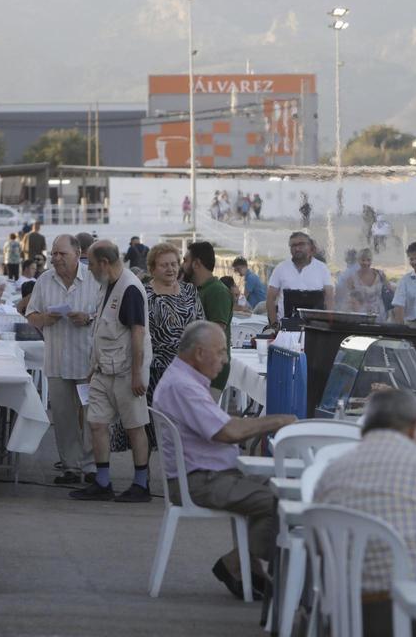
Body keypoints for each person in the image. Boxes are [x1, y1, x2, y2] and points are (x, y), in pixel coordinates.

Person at [314, 389, 416, 636]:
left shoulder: (332, 472)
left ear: (365, 427)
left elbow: (318, 544)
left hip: (353, 617)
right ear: (415, 427)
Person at [153, 321, 295, 599]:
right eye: (220, 352)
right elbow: (227, 432)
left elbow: (223, 424)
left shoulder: (185, 379)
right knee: (281, 504)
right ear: (199, 353)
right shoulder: (183, 386)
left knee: (284, 488)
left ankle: (248, 566)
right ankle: (236, 563)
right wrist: (279, 421)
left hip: (209, 474)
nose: (225, 360)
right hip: (200, 481)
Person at [69, 241, 153, 503]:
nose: (89, 269)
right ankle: (102, 482)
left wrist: (137, 374)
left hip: (126, 371)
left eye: (92, 264)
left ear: (104, 263)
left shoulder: (130, 289)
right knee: (96, 423)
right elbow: (103, 328)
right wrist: (93, 366)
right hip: (103, 370)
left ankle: (141, 484)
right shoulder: (107, 284)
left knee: (135, 426)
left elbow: (138, 333)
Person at [25, 234, 100, 485]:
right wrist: (45, 319)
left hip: (86, 361)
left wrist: (88, 318)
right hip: (57, 360)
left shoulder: (94, 279)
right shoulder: (45, 280)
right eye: (54, 254)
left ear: (77, 254)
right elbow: (31, 315)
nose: (56, 258)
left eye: (62, 254)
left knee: (91, 415)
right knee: (63, 416)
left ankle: (92, 466)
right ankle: (71, 466)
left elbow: (106, 315)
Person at [144, 242, 205, 416]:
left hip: (188, 369)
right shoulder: (144, 294)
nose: (170, 269)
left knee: (186, 419)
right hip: (156, 371)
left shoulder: (190, 290)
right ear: (152, 269)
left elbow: (201, 325)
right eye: (164, 265)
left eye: (173, 264)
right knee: (159, 421)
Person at [182, 241, 233, 390]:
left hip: (210, 371)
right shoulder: (196, 289)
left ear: (196, 264)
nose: (182, 265)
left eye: (185, 260)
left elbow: (215, 333)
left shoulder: (218, 291)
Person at [265, 231, 334, 327]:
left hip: (315, 327)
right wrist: (274, 324)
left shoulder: (322, 268)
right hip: (286, 327)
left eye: (301, 244)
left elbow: (329, 298)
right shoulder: (281, 268)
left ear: (310, 246)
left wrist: (329, 324)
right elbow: (270, 299)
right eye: (293, 245)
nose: (297, 248)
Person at [341, 248, 391, 321]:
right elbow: (348, 300)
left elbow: (390, 290)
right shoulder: (352, 279)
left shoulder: (380, 274)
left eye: (368, 260)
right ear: (358, 260)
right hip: (361, 316)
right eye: (363, 260)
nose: (366, 263)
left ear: (371, 260)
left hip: (380, 314)